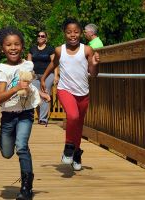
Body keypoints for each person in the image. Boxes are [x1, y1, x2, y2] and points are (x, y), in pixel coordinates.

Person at [40, 18, 99, 171]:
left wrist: (95, 63)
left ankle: (77, 153)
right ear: (64, 33)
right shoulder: (60, 50)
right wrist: (44, 78)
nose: (73, 35)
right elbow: (54, 63)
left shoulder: (87, 50)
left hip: (83, 93)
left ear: (81, 33)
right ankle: (68, 147)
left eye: (76, 32)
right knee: (72, 116)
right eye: (69, 32)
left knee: (78, 125)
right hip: (65, 89)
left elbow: (93, 74)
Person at [0, 27, 41, 200]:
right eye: (8, 45)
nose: (13, 48)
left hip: (25, 114)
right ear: (2, 48)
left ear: (22, 46)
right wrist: (15, 88)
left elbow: (30, 82)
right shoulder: (2, 70)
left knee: (22, 146)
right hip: (8, 116)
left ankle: (26, 186)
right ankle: (2, 136)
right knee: (7, 153)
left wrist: (39, 92)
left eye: (16, 44)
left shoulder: (28, 64)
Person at [27, 31, 58, 125]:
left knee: (45, 93)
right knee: (36, 94)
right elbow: (28, 64)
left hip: (48, 75)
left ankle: (43, 119)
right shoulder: (32, 49)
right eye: (39, 35)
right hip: (35, 76)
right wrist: (28, 75)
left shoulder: (50, 49)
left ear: (46, 39)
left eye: (42, 36)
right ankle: (40, 116)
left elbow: (55, 63)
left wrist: (56, 75)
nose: (40, 37)